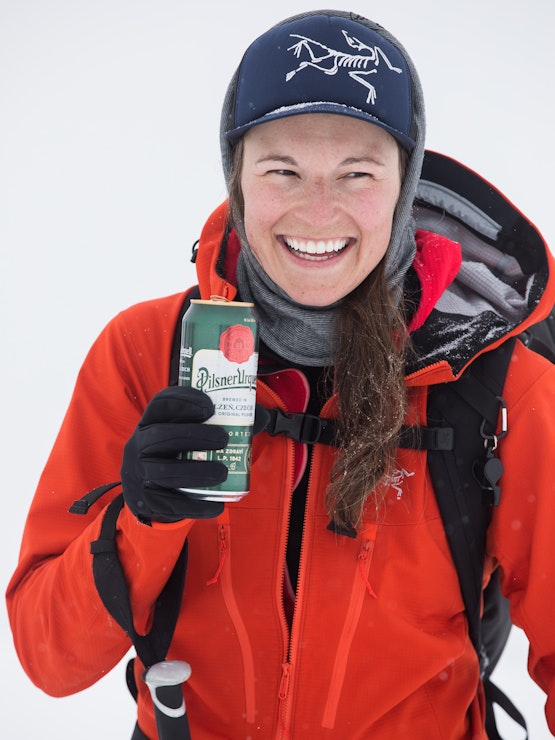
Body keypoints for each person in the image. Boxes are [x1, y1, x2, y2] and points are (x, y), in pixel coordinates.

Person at [6, 9, 555, 739]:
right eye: (282, 170)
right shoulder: (144, 354)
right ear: (235, 177)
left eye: (357, 173)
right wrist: (142, 522)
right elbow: (50, 657)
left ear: (405, 182)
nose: (317, 211)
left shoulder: (498, 383)